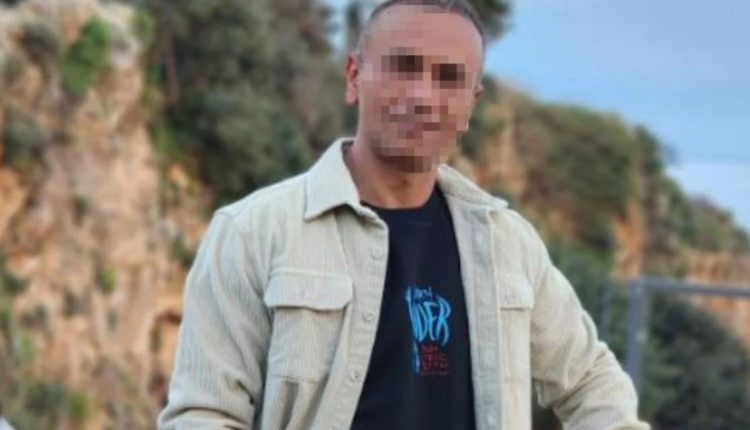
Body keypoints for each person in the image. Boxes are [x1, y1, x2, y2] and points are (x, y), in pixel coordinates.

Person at [158, 0, 649, 428]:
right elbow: (204, 415)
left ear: (471, 103)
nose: (423, 96)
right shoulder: (254, 232)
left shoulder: (507, 243)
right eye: (403, 67)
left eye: (449, 78)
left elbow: (591, 382)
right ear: (355, 77)